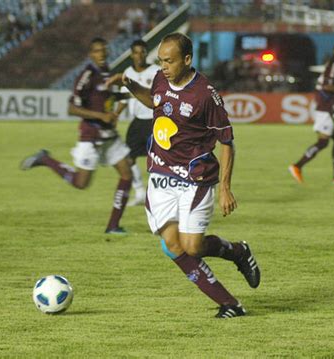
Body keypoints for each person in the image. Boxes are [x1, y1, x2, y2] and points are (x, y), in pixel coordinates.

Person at [107, 33, 260, 318]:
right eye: (160, 61)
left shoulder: (206, 95)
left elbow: (227, 142)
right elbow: (154, 102)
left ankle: (238, 252)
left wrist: (226, 187)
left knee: (193, 246)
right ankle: (231, 304)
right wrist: (129, 84)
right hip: (161, 175)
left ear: (187, 60)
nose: (163, 67)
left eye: (169, 61)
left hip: (195, 179)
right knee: (172, 245)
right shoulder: (160, 79)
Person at [21, 37, 132, 234]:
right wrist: (101, 115)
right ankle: (46, 159)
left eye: (104, 50)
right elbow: (72, 108)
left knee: (127, 174)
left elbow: (120, 97)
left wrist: (116, 113)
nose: (102, 54)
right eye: (97, 51)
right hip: (91, 135)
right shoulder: (87, 76)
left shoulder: (110, 73)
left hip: (109, 136)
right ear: (91, 54)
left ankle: (113, 226)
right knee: (81, 183)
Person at [289, 41, 334, 184]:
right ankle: (297, 166)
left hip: (328, 106)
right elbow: (326, 86)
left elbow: (327, 87)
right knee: (323, 142)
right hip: (325, 108)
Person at [115, 40, 159, 206]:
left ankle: (156, 194)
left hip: (155, 121)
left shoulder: (156, 71)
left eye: (142, 52)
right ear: (131, 54)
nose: (139, 55)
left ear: (146, 53)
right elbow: (124, 97)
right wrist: (115, 114)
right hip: (138, 122)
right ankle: (140, 192)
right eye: (136, 52)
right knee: (129, 157)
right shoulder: (127, 72)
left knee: (159, 159)